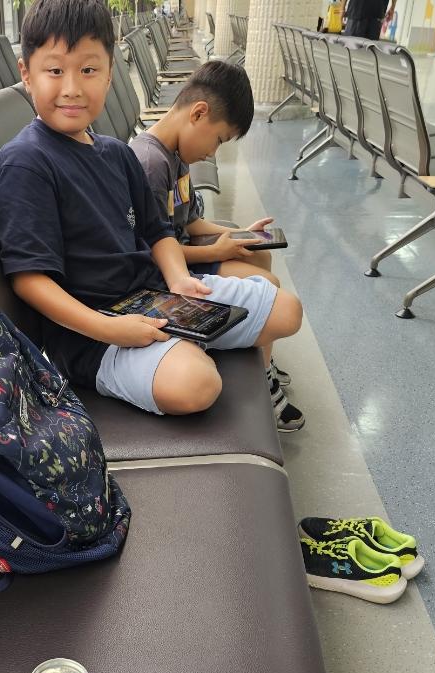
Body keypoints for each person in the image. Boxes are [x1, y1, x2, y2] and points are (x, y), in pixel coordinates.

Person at [0, 0, 304, 428]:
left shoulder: (117, 155)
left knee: (287, 311)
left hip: (153, 294)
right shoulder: (25, 163)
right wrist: (111, 330)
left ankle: (183, 344)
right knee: (197, 384)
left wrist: (179, 279)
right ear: (26, 74)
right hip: (90, 333)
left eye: (88, 70)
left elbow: (158, 232)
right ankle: (182, 351)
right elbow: (29, 280)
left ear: (109, 74)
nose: (72, 88)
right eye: (55, 70)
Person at [129, 60, 301, 427]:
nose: (213, 152)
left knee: (258, 260)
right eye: (219, 140)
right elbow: (153, 248)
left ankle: (262, 361)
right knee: (268, 284)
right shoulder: (150, 163)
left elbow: (189, 222)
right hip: (168, 271)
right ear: (198, 113)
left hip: (182, 257)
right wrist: (214, 252)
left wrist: (238, 235)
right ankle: (262, 377)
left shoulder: (176, 155)